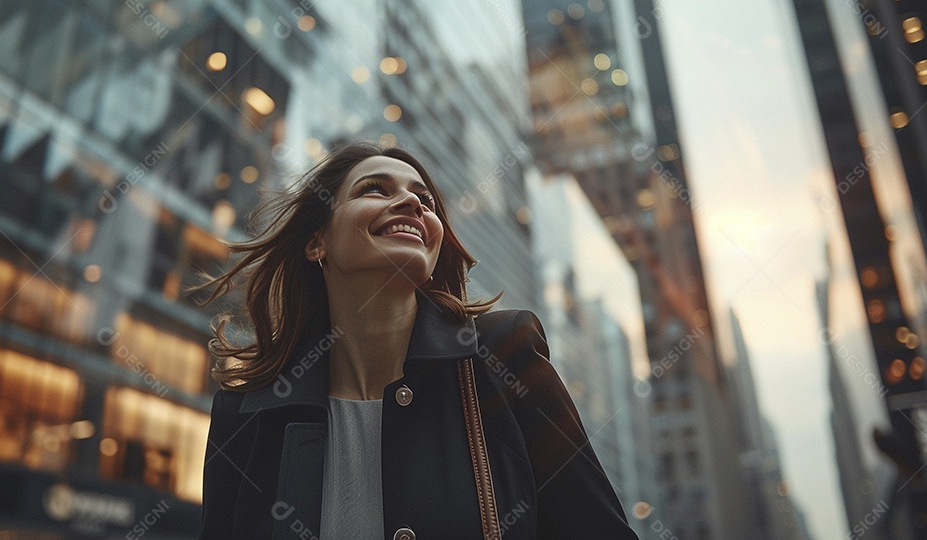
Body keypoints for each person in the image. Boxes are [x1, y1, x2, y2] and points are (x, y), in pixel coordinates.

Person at [194, 142, 637, 539]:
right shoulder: (244, 414)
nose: (411, 202)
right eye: (375, 189)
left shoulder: (504, 356)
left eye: (424, 200)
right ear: (317, 242)